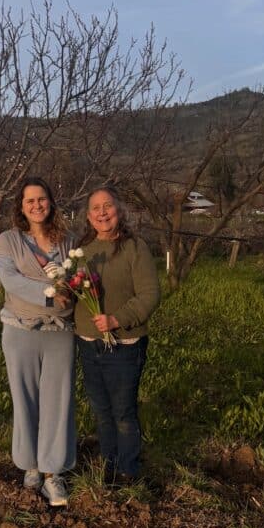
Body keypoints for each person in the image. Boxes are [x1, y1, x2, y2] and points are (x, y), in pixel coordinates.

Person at [0, 177, 76, 507]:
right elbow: (10, 280)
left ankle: (52, 473)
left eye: (42, 199)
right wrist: (49, 292)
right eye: (30, 200)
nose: (37, 205)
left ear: (51, 203)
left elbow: (77, 281)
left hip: (60, 333)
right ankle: (29, 464)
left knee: (58, 403)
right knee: (24, 399)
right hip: (20, 330)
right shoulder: (8, 240)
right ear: (21, 206)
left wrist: (66, 292)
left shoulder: (68, 242)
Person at [74, 186, 160, 483]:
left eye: (107, 206)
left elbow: (149, 294)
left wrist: (116, 319)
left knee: (123, 413)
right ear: (88, 216)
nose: (102, 212)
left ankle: (128, 471)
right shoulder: (82, 251)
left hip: (124, 344)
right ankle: (108, 466)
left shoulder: (135, 247)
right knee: (101, 411)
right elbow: (75, 291)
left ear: (119, 210)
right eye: (95, 208)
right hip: (88, 344)